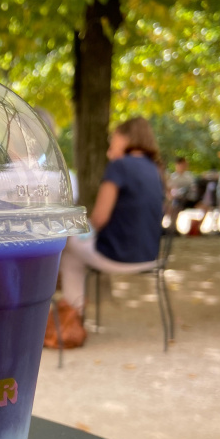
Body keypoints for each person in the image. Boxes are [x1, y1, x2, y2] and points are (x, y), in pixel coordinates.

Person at [57, 116, 165, 323]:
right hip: (149, 255)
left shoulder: (120, 166)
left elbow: (99, 217)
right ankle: (72, 314)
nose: (110, 146)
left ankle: (72, 319)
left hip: (117, 255)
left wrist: (75, 229)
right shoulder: (155, 169)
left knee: (68, 249)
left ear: (125, 138)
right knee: (73, 251)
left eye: (113, 139)